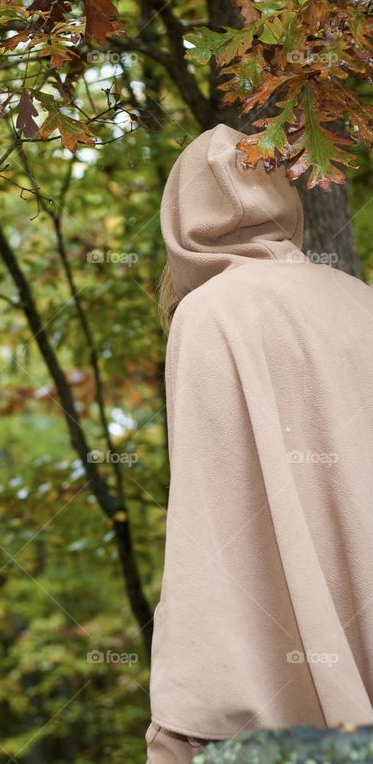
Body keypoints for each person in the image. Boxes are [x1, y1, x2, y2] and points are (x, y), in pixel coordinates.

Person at [146, 124, 373, 763]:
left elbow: (209, 530)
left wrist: (180, 733)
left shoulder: (208, 318)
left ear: (180, 220)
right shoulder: (362, 303)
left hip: (287, 738)